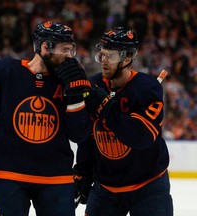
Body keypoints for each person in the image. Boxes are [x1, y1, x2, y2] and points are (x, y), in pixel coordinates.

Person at [0, 20, 92, 216]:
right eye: (64, 49)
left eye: (71, 49)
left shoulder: (70, 79)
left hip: (57, 178)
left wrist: (76, 96)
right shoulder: (4, 71)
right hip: (9, 176)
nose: (69, 56)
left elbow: (79, 134)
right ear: (45, 46)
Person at [73, 27, 174, 215]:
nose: (103, 61)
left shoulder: (147, 88)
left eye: (109, 57)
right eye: (101, 55)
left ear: (126, 59)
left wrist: (105, 107)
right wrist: (83, 172)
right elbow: (88, 136)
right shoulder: (94, 85)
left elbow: (140, 137)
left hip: (148, 186)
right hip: (106, 188)